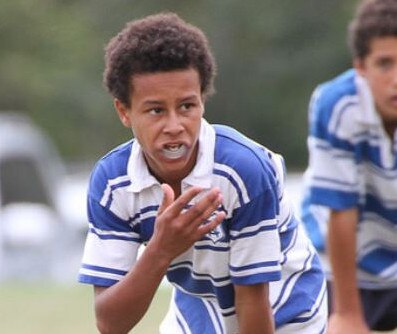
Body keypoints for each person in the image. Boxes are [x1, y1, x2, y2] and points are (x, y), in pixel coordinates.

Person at [78, 12, 327, 334]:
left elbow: (253, 298)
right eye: (156, 110)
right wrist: (162, 247)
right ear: (124, 112)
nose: (174, 126)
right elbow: (110, 323)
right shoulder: (113, 184)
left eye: (187, 106)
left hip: (285, 313)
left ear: (203, 102)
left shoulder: (242, 170)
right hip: (200, 310)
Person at [300, 0, 397, 333]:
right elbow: (341, 209)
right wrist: (347, 314)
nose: (396, 78)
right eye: (385, 64)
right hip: (335, 266)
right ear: (361, 67)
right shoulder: (338, 104)